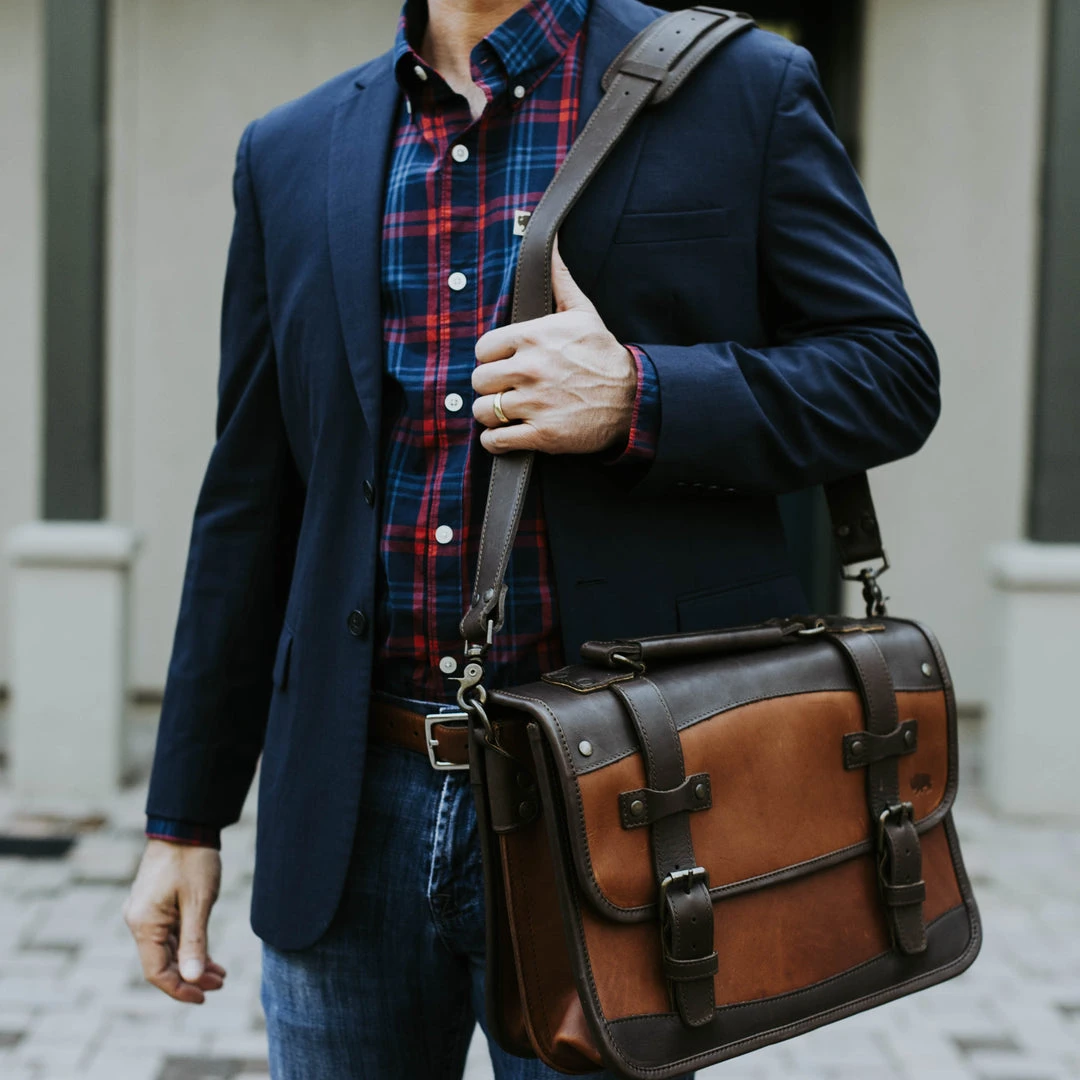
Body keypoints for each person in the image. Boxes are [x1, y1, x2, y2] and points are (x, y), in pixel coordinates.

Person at [121, 0, 940, 1076]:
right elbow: (250, 501)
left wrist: (640, 396)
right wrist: (185, 818)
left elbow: (888, 374)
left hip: (629, 795)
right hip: (350, 802)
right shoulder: (290, 148)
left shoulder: (743, 88)